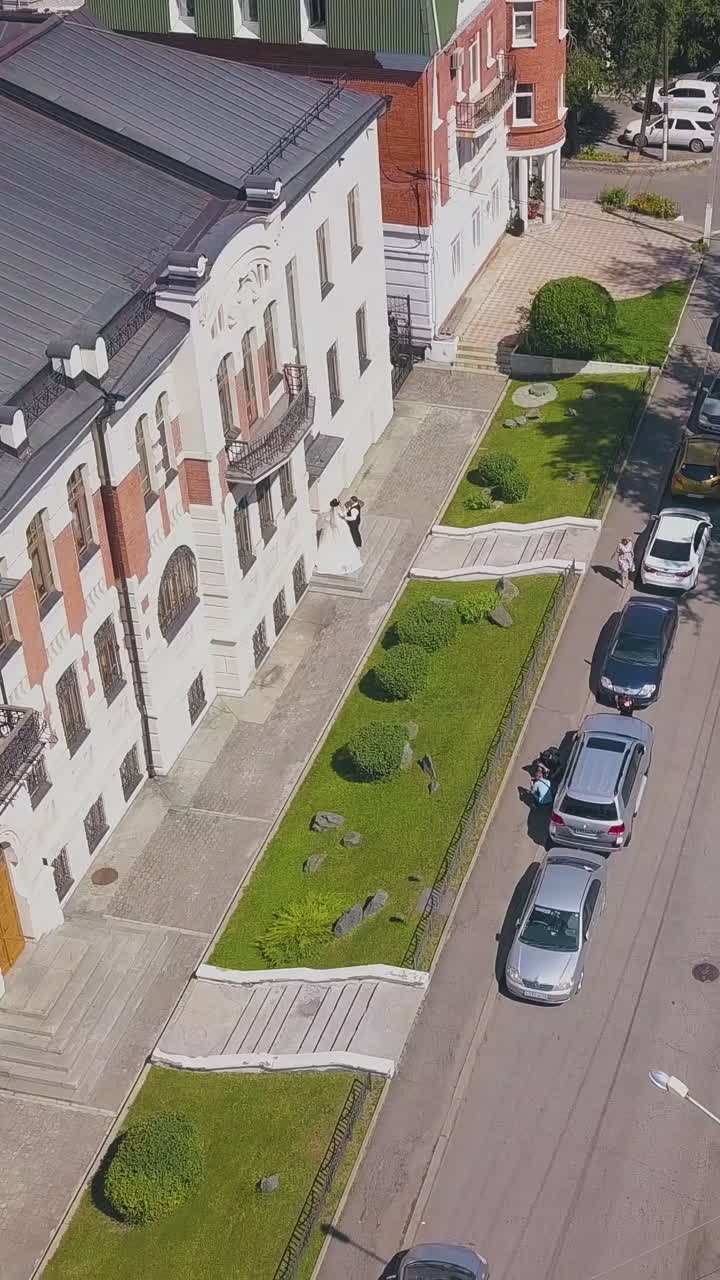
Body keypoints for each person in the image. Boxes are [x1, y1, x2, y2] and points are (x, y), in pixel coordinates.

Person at [314, 499, 362, 576]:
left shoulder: (329, 513)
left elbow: (331, 523)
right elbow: (341, 519)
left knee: (330, 543)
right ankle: (346, 562)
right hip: (342, 530)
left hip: (334, 530)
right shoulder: (341, 512)